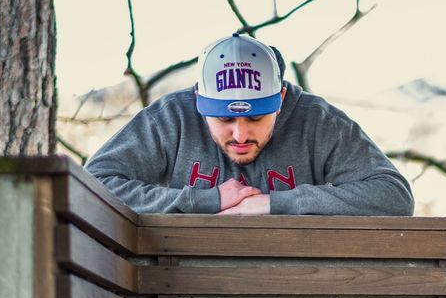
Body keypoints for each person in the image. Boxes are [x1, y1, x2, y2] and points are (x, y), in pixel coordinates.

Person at [86, 33, 414, 216]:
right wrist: (200, 200)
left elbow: (394, 196)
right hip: (182, 293)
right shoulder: (173, 117)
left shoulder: (314, 121)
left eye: (256, 118)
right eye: (225, 119)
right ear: (200, 103)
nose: (240, 134)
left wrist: (275, 204)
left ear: (281, 99)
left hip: (299, 296)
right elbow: (94, 184)